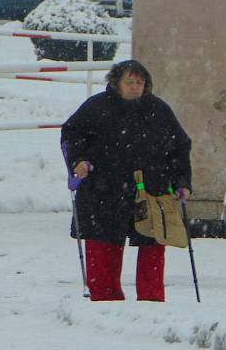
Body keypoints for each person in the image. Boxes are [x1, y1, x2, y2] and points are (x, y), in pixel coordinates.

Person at [61, 59, 192, 302]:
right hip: (104, 190)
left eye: (139, 82)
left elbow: (180, 147)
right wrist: (77, 160)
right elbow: (71, 133)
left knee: (152, 245)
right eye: (129, 82)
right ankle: (105, 301)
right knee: (103, 246)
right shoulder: (96, 107)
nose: (134, 87)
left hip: (151, 191)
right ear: (116, 84)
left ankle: (152, 302)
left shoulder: (159, 110)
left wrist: (181, 181)